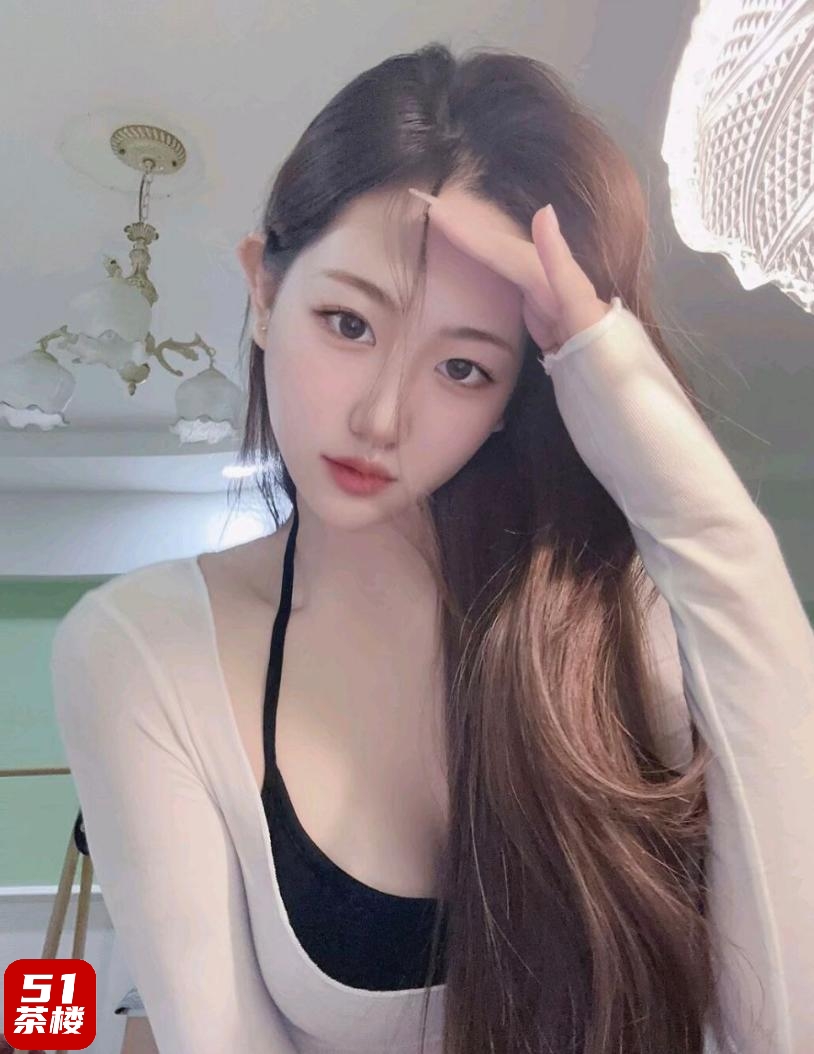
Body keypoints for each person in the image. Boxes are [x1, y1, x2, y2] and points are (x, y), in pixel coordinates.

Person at [50, 42, 814, 1054]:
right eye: (348, 322)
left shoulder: (611, 620)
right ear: (264, 294)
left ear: (516, 394)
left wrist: (650, 438)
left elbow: (780, 1021)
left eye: (462, 367)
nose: (381, 417)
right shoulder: (146, 655)